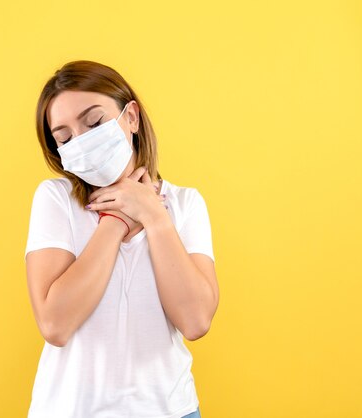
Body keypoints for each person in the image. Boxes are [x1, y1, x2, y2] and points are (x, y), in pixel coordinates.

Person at [24, 60, 219, 418]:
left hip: (170, 411)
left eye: (94, 122)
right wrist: (115, 220)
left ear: (131, 117)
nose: (81, 142)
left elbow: (195, 321)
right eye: (65, 138)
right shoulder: (55, 199)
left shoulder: (185, 204)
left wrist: (155, 217)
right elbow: (55, 323)